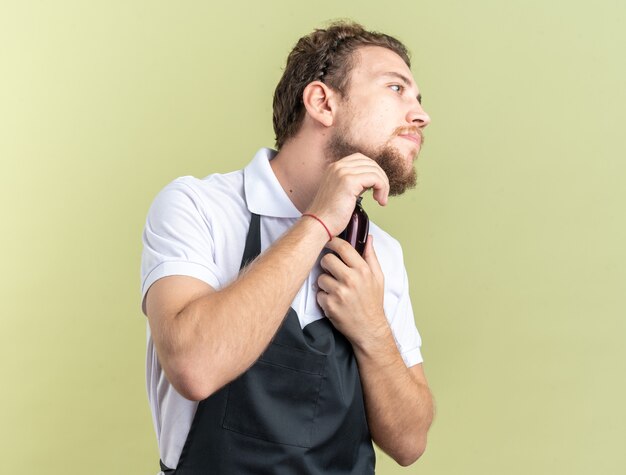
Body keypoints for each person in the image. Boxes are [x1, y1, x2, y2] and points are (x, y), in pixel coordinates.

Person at [140, 21, 434, 474]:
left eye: (419, 100)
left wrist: (371, 326)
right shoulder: (198, 207)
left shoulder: (380, 254)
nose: (420, 115)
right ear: (322, 102)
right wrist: (317, 222)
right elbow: (193, 367)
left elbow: (411, 442)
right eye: (397, 88)